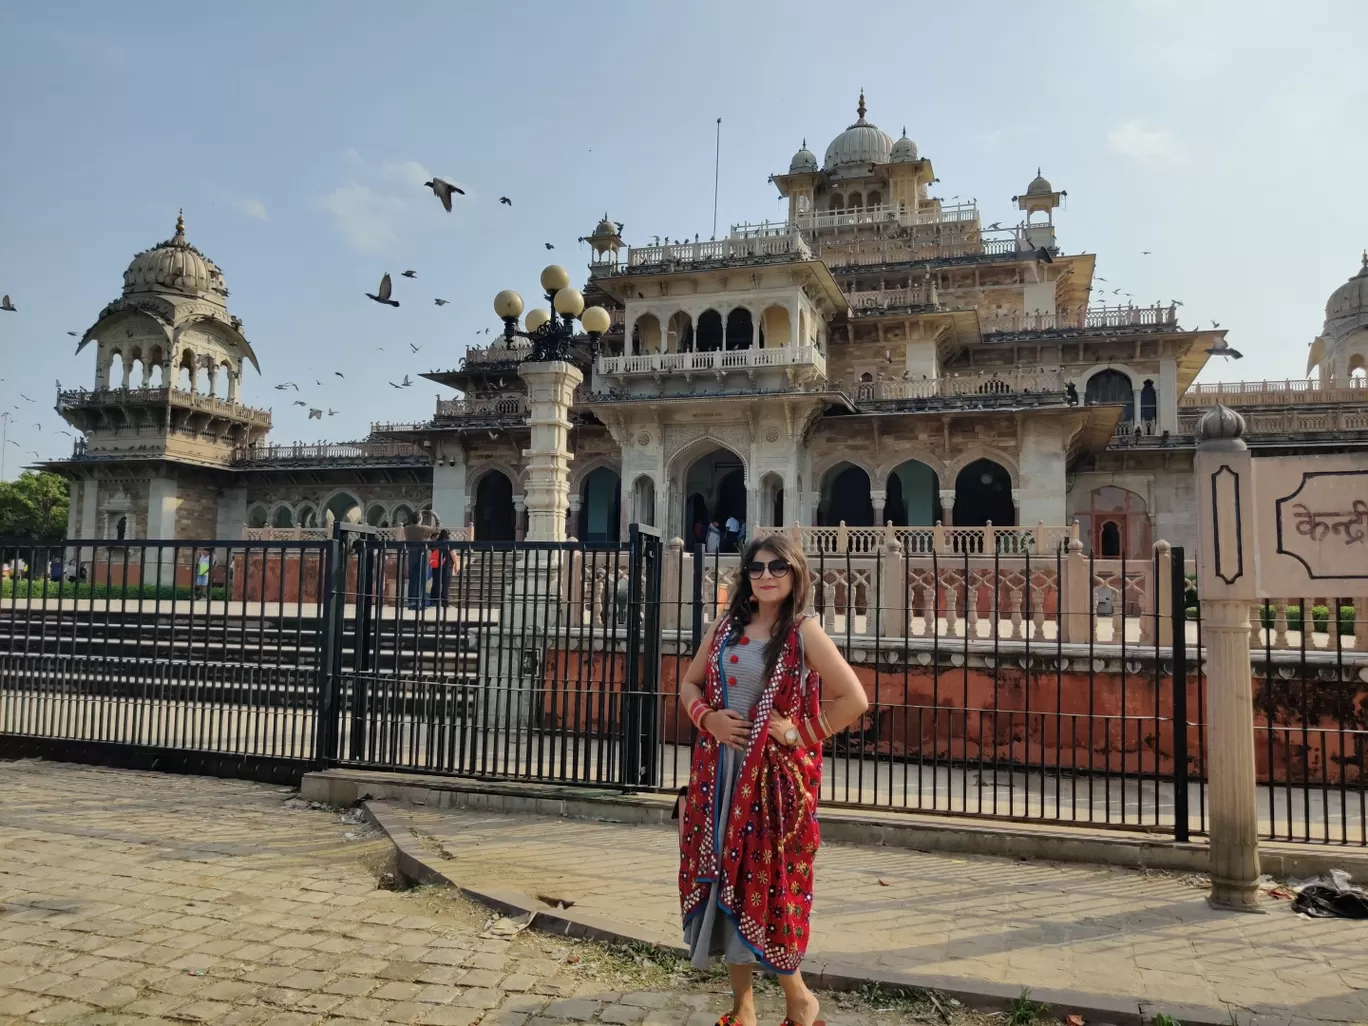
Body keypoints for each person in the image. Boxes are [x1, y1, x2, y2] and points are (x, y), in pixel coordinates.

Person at [676, 534, 869, 1026]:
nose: (765, 576)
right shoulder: (725, 628)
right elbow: (689, 683)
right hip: (719, 777)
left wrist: (796, 733)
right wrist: (708, 719)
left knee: (768, 887)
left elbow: (854, 700)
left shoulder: (802, 632)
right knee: (724, 882)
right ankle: (742, 1006)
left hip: (772, 787)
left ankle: (799, 999)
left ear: (795, 575)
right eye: (757, 568)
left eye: (778, 568)